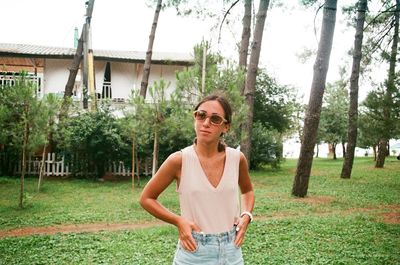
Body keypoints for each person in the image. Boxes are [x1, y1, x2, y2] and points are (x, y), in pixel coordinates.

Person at [139, 94, 255, 264]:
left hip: (232, 251)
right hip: (194, 251)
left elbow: (248, 190)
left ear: (226, 127)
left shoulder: (237, 159)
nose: (206, 123)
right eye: (201, 115)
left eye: (215, 119)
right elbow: (146, 198)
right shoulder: (179, 160)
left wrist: (246, 215)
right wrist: (178, 221)